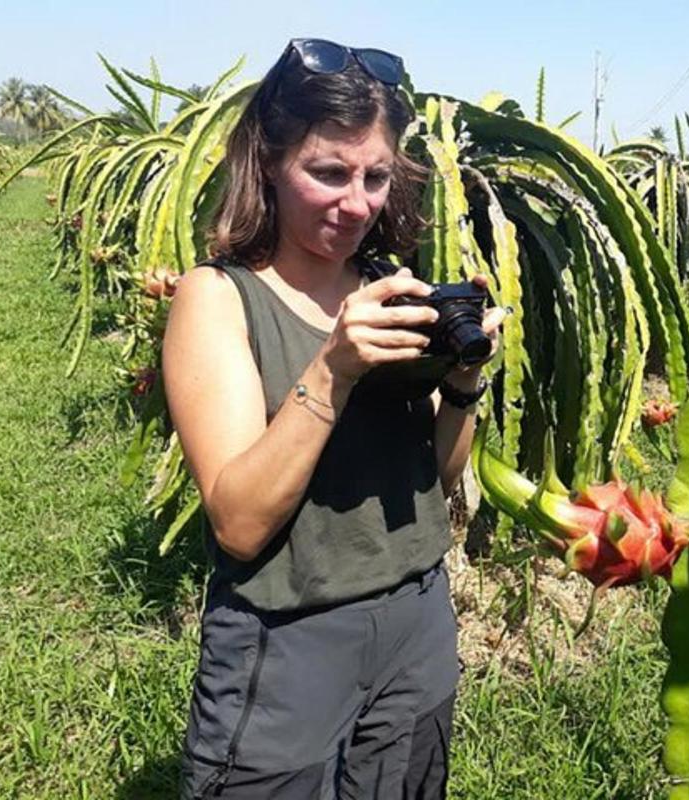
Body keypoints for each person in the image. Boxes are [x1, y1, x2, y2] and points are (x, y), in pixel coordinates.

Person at [162, 38, 504, 799]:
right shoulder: (218, 299)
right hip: (287, 637)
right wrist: (333, 367)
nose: (358, 202)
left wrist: (464, 382)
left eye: (376, 176)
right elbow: (240, 524)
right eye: (328, 172)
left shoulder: (391, 290)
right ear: (270, 164)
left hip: (418, 621)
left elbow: (435, 477)